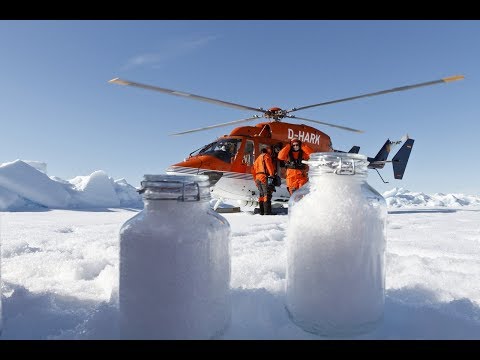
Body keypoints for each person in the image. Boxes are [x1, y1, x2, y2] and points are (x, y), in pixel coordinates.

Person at [251, 147, 275, 215]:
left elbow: (253, 170)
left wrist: (255, 180)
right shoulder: (266, 156)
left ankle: (262, 212)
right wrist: (271, 174)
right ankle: (267, 212)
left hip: (258, 178)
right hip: (264, 177)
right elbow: (269, 165)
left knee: (261, 195)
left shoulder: (257, 159)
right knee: (267, 194)